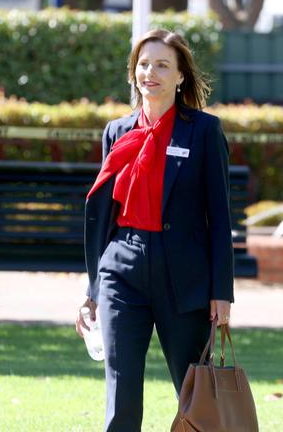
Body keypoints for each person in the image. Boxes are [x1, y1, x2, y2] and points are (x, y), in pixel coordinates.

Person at [74, 28, 234, 432]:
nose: (151, 73)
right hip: (121, 268)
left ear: (181, 76)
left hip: (183, 274)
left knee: (193, 390)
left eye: (163, 65)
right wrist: (91, 289)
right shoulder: (116, 131)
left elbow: (220, 216)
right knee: (121, 389)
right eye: (144, 64)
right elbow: (104, 216)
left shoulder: (203, 130)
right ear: (133, 72)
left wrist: (222, 292)